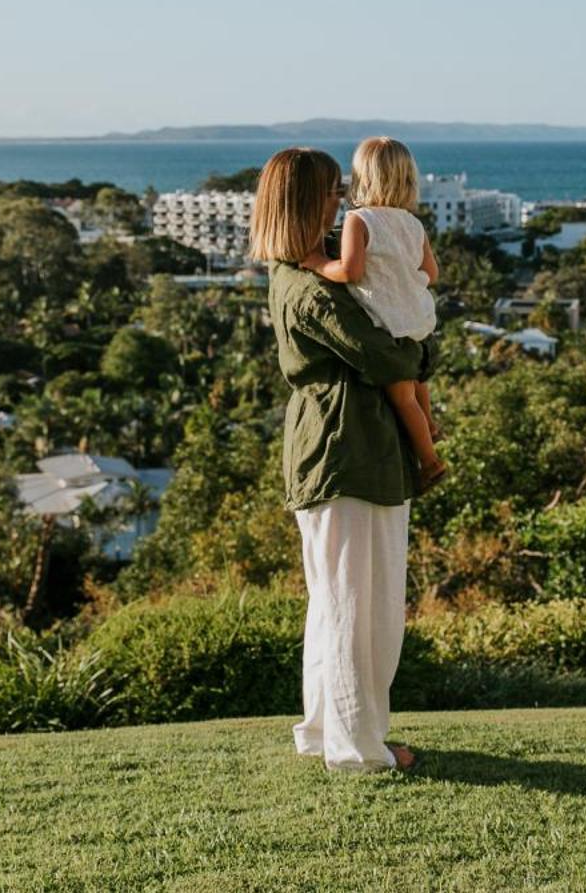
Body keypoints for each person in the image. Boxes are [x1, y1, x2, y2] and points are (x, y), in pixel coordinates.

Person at [250, 146, 432, 774]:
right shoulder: (312, 286)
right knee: (362, 603)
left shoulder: (300, 272)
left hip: (346, 446)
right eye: (330, 191)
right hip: (346, 448)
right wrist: (417, 351)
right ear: (304, 201)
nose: (341, 200)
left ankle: (329, 732)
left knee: (337, 600)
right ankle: (358, 749)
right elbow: (388, 357)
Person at [301, 136, 445, 489]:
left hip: (390, 325)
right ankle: (430, 425)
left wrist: (319, 263)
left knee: (402, 396)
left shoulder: (358, 221)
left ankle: (429, 461)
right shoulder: (413, 224)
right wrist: (404, 281)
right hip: (418, 322)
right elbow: (432, 273)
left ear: (361, 178)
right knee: (418, 381)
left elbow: (350, 271)